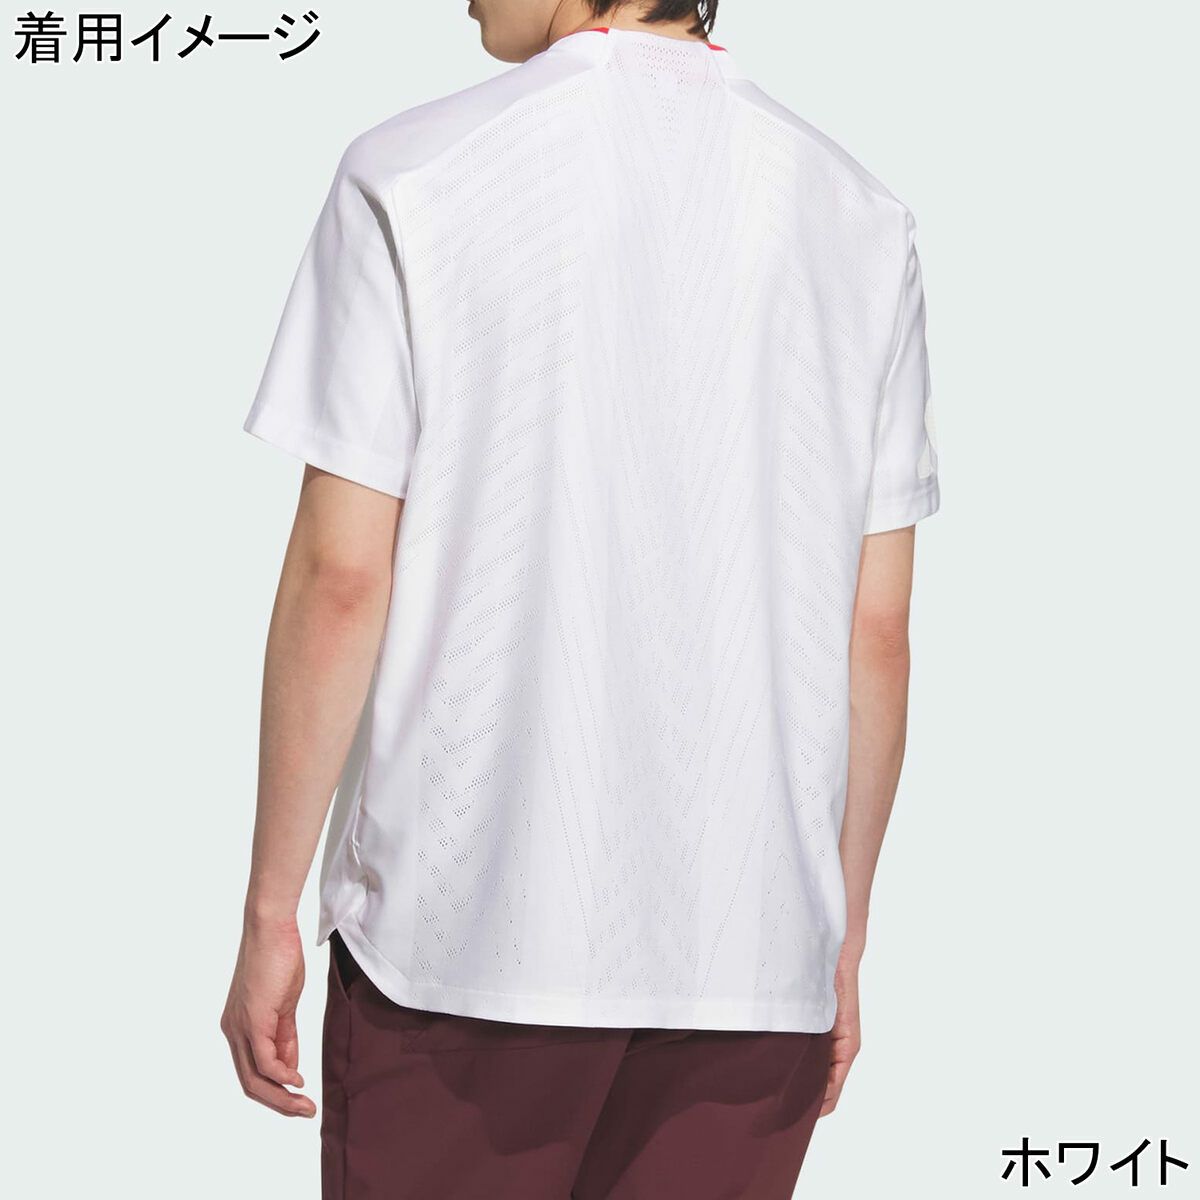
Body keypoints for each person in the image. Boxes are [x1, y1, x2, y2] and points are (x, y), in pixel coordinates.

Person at [221, 1, 940, 1196]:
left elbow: (342, 578)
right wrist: (841, 940)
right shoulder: (860, 214)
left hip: (465, 952)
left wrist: (267, 913)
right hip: (755, 966)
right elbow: (876, 631)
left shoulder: (413, 173)